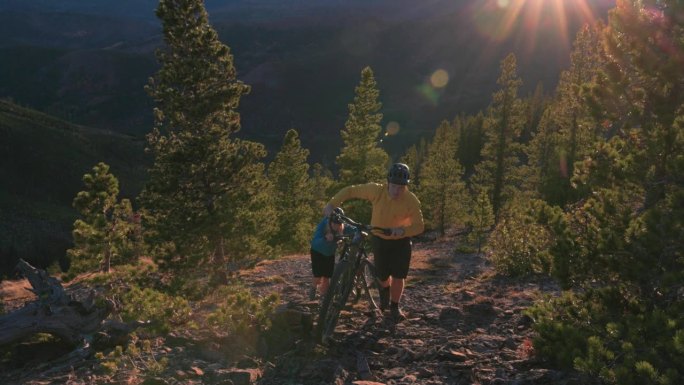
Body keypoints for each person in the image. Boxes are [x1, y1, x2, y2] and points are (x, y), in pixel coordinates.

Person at [323, 163, 424, 321]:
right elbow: (351, 190)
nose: (398, 191)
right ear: (388, 183)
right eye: (395, 186)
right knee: (382, 277)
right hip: (379, 238)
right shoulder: (377, 190)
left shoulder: (411, 200)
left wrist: (402, 231)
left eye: (401, 187)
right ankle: (384, 300)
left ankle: (394, 306)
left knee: (398, 275)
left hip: (400, 242)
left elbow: (419, 226)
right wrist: (332, 205)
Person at [309, 208, 355, 300]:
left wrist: (362, 230)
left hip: (329, 254)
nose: (335, 225)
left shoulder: (342, 226)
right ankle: (313, 290)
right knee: (318, 276)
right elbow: (315, 241)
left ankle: (324, 297)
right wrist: (325, 239)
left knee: (327, 276)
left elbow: (353, 229)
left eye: (338, 224)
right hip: (317, 252)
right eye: (334, 223)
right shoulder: (323, 225)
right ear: (330, 220)